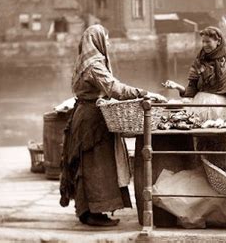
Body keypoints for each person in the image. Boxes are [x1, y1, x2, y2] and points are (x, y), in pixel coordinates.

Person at [59, 24, 167, 227]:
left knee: (88, 164)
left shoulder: (83, 62)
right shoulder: (94, 65)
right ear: (98, 41)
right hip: (92, 120)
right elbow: (113, 88)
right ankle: (92, 212)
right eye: (106, 39)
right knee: (94, 166)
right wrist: (143, 93)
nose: (108, 43)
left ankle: (88, 210)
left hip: (86, 115)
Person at [163, 26, 226, 121]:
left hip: (221, 108)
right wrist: (177, 86)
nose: (204, 45)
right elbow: (192, 90)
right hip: (199, 106)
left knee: (220, 133)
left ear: (218, 42)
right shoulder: (198, 62)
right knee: (198, 133)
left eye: (208, 42)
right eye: (203, 42)